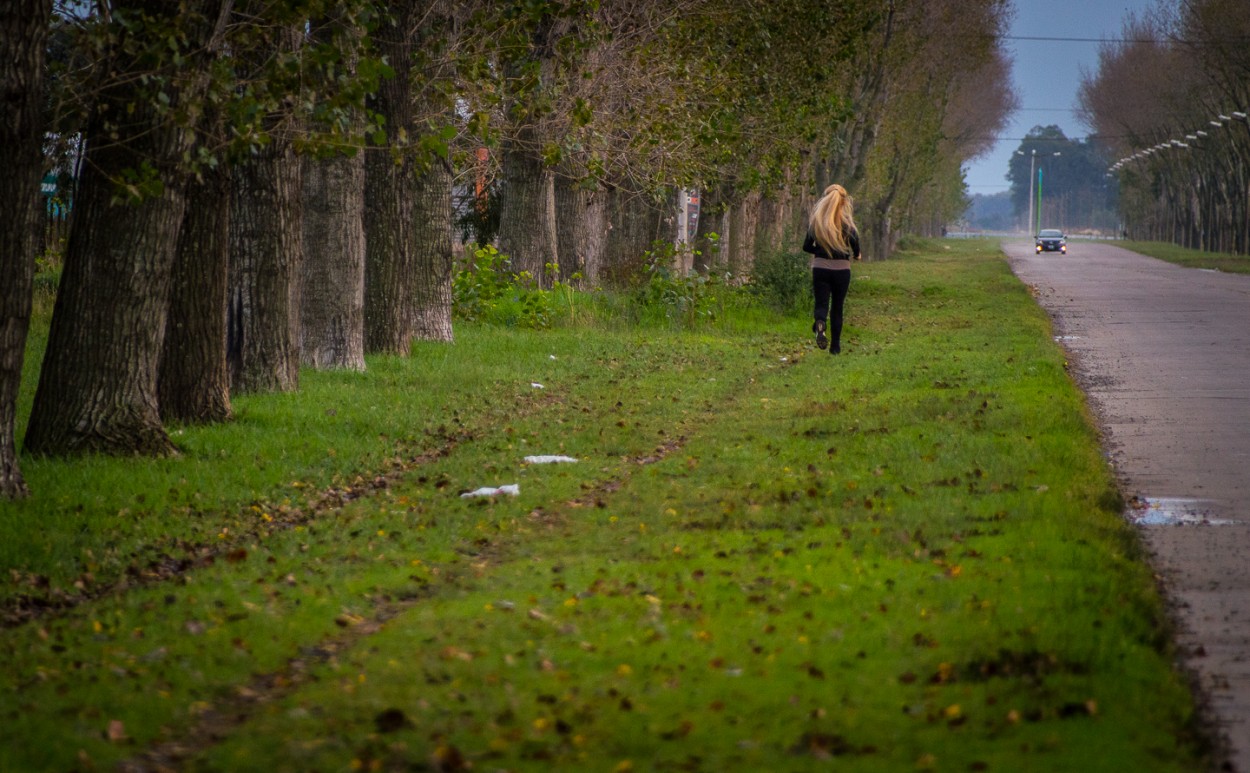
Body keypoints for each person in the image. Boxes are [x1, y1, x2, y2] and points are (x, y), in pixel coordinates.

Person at [802, 183, 861, 355]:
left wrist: (820, 251)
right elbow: (855, 247)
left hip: (820, 268)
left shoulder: (817, 222)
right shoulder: (848, 224)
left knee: (821, 303)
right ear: (844, 202)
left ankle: (820, 324)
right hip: (842, 270)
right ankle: (835, 347)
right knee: (837, 306)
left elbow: (806, 246)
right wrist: (856, 255)